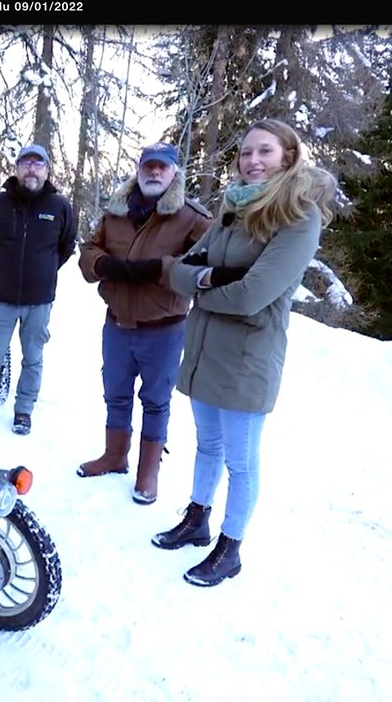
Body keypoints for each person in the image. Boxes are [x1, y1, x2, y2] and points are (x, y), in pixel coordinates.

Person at [153, 118, 339, 587]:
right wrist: (209, 278)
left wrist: (202, 287)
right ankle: (197, 520)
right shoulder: (231, 209)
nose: (253, 160)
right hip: (205, 349)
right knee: (207, 445)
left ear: (289, 157)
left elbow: (253, 295)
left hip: (247, 358)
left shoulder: (299, 217)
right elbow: (179, 270)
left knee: (241, 460)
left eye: (266, 152)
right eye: (246, 152)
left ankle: (230, 548)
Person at [75, 142, 211, 505]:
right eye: (148, 166)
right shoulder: (116, 211)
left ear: (174, 173)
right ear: (138, 170)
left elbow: (201, 265)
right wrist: (104, 265)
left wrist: (158, 269)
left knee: (155, 400)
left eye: (162, 168)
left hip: (163, 328)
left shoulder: (192, 217)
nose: (154, 172)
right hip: (117, 324)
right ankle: (114, 455)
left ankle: (147, 473)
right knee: (115, 392)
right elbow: (88, 249)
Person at [0, 144, 78, 435]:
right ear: (16, 169)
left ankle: (24, 410)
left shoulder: (60, 207)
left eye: (38, 164)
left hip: (39, 302)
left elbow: (65, 247)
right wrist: (5, 268)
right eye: (26, 163)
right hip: (2, 299)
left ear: (47, 169)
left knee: (33, 359)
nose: (31, 169)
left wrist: (44, 269)